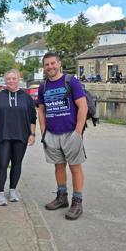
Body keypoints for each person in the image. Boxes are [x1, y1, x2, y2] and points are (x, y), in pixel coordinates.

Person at [37, 53, 87, 220]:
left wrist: (78, 132)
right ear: (44, 67)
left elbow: (83, 106)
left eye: (53, 63)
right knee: (58, 166)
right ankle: (62, 197)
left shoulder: (71, 81)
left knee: (75, 167)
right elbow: (41, 110)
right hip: (52, 134)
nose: (50, 67)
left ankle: (77, 202)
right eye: (47, 64)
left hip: (71, 132)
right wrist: (43, 131)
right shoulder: (43, 86)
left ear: (59, 63)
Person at [0, 69, 36, 206]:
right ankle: (1, 193)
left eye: (14, 78)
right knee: (2, 164)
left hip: (21, 135)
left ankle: (13, 190)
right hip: (3, 135)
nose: (11, 81)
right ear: (5, 80)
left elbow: (33, 118)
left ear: (19, 79)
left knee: (17, 164)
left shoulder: (26, 98)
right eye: (8, 79)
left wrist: (32, 134)